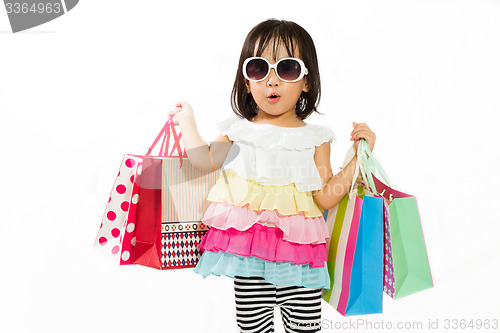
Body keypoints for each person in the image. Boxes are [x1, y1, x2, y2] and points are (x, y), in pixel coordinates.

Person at [167, 19, 376, 333]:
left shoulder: (315, 138)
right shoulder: (238, 131)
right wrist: (187, 121)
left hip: (301, 260)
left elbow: (325, 195)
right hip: (248, 260)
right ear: (247, 80)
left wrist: (359, 158)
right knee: (252, 329)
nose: (272, 81)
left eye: (287, 69)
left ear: (307, 81)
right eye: (258, 69)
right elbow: (204, 161)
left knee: (306, 328)